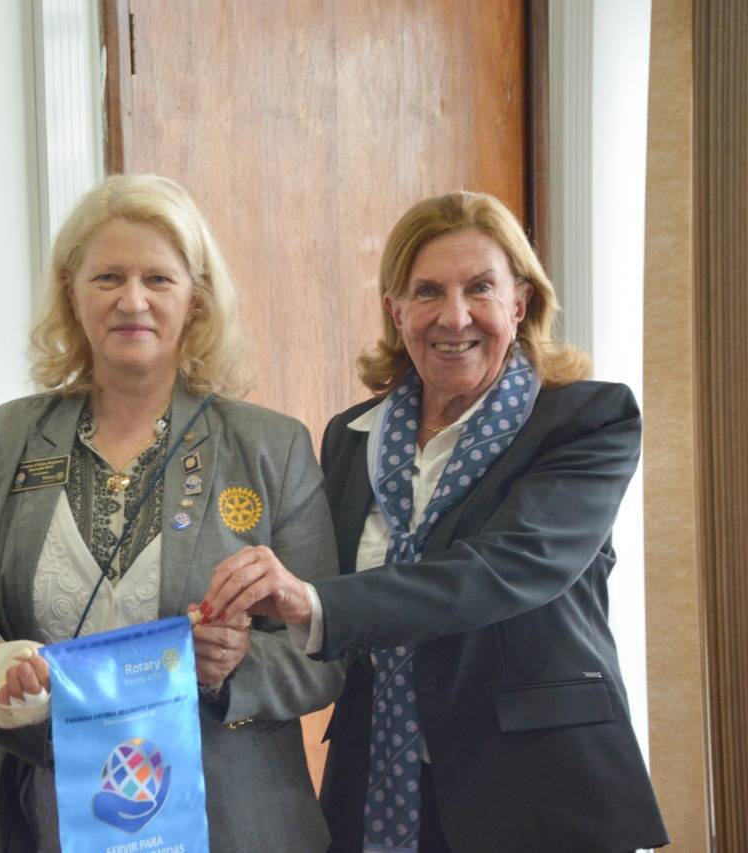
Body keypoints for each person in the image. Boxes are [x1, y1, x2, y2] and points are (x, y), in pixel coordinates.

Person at [203, 190, 668, 852]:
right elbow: (311, 595)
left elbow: (502, 569)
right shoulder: (351, 437)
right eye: (427, 292)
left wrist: (314, 602)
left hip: (541, 792)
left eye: (480, 287)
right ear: (396, 310)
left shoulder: (586, 421)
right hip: (377, 784)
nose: (455, 316)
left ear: (520, 302)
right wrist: (228, 630)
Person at [0, 174, 346, 852]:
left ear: (195, 297)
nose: (132, 300)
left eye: (158, 279)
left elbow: (327, 652)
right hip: (40, 817)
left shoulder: (271, 447)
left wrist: (236, 664)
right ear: (71, 291)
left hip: (230, 820)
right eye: (108, 277)